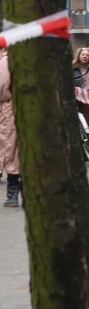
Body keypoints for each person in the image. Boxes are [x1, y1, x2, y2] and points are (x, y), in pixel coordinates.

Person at [1, 49, 21, 209]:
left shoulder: (7, 61)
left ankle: (13, 193)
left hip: (14, 108)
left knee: (12, 149)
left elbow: (1, 87)